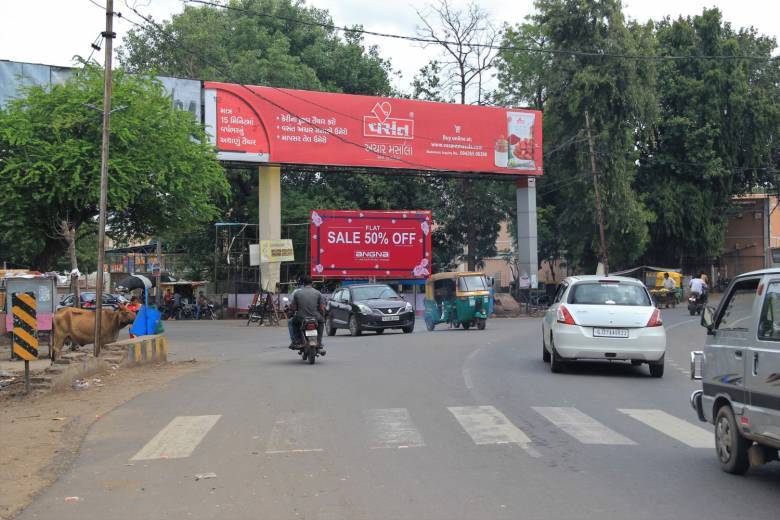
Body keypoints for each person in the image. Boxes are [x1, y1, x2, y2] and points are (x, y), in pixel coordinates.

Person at [290, 276, 325, 350]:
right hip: (315, 317)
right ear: (312, 283)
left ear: (303, 283)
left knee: (292, 322)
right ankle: (319, 341)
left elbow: (294, 307)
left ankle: (297, 341)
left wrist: (293, 311)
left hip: (301, 317)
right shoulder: (318, 293)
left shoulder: (297, 293)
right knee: (321, 322)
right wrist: (322, 315)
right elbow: (322, 308)